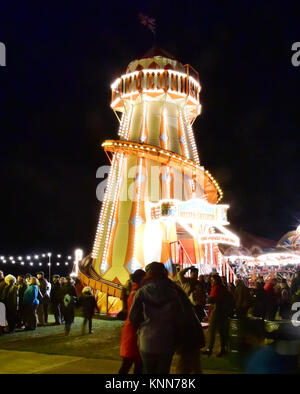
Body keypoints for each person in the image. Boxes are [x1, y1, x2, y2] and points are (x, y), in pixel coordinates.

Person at [129, 262, 184, 374]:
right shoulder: (173, 293)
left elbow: (134, 318)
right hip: (167, 340)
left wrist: (139, 331)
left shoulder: (141, 293)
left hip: (147, 340)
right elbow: (180, 317)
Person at [119, 269, 146, 374]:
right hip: (134, 332)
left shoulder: (134, 292)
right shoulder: (137, 294)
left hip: (131, 331)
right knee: (130, 363)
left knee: (132, 363)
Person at [203, 274, 229, 357]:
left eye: (213, 279)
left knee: (212, 330)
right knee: (221, 331)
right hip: (220, 311)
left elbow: (213, 299)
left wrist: (208, 298)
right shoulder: (222, 287)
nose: (211, 281)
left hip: (216, 310)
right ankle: (222, 348)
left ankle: (210, 349)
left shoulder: (216, 287)